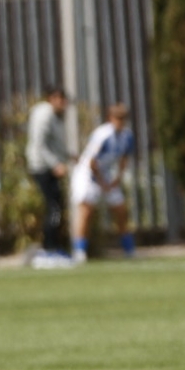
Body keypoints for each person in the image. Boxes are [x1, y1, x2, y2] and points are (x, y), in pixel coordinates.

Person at [70, 103, 137, 262]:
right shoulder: (102, 134)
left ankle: (128, 249)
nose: (121, 121)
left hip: (106, 175)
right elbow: (91, 161)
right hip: (88, 174)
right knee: (86, 211)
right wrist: (102, 182)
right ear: (110, 118)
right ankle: (80, 251)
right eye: (118, 118)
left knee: (120, 210)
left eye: (123, 118)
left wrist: (117, 179)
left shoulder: (127, 136)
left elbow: (124, 159)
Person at [26, 87, 75, 265]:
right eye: (61, 100)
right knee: (54, 208)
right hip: (42, 168)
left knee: (56, 208)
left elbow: (54, 143)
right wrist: (55, 164)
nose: (64, 104)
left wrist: (69, 155)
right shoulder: (43, 115)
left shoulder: (55, 116)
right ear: (52, 98)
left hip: (49, 167)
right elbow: (39, 144)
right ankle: (48, 250)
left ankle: (52, 248)